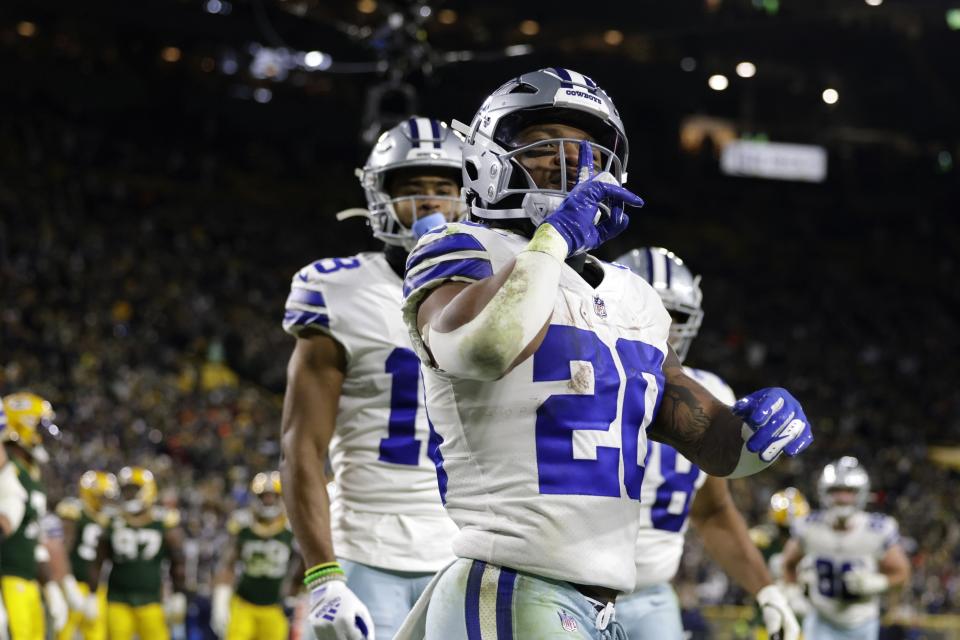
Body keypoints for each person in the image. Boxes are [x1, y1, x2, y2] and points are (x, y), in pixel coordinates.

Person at [397, 67, 813, 639]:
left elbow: (703, 438)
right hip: (512, 582)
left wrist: (754, 437)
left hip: (598, 607)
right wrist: (553, 241)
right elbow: (481, 348)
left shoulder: (632, 297)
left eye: (590, 150)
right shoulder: (460, 247)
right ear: (486, 159)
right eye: (547, 144)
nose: (573, 164)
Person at [280, 117, 464, 640]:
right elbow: (300, 446)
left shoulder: (496, 287)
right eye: (411, 189)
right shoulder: (337, 290)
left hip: (463, 553)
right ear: (380, 198)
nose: (429, 203)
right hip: (364, 552)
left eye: (442, 189)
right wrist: (321, 577)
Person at [613, 247, 798, 640]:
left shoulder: (710, 392)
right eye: (654, 308)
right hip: (565, 585)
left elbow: (712, 511)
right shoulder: (578, 371)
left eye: (676, 315)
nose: (665, 325)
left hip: (652, 596)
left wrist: (766, 588)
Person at [781, 457, 910, 640]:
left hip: (862, 622)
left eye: (849, 491)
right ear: (824, 493)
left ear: (862, 493)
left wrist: (877, 582)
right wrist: (793, 593)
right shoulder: (808, 527)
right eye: (835, 491)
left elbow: (902, 573)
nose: (842, 498)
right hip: (821, 620)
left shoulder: (878, 529)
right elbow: (788, 563)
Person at [88, 466, 187, 640]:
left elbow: (177, 561)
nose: (128, 495)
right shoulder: (112, 521)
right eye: (125, 490)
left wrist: (178, 593)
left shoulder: (163, 522)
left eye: (133, 490)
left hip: (152, 601)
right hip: (117, 600)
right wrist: (92, 593)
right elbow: (98, 561)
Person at [0, 392, 69, 640]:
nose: (44, 434)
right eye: (39, 426)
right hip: (7, 578)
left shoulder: (31, 473)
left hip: (27, 578)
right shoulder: (9, 469)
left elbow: (34, 535)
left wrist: (50, 585)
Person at [211, 471, 296, 640]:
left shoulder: (290, 527)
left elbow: (301, 565)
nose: (268, 501)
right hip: (244, 604)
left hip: (275, 607)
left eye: (272, 496)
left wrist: (296, 594)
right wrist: (220, 598)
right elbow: (228, 563)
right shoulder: (243, 525)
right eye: (264, 496)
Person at [55, 470, 119, 640]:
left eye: (107, 496)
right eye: (100, 496)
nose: (105, 501)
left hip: (97, 587)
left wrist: (94, 592)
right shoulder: (74, 512)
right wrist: (65, 579)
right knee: (64, 631)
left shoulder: (109, 520)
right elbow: (63, 548)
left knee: (96, 632)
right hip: (73, 581)